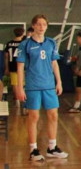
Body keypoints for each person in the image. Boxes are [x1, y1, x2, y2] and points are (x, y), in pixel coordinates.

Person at [13, 15, 68, 161]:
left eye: (44, 24)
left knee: (53, 115)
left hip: (49, 85)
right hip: (33, 85)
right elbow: (20, 67)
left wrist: (59, 82)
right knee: (34, 117)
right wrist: (20, 87)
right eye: (38, 24)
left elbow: (54, 63)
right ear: (33, 26)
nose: (41, 27)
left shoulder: (51, 42)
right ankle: (33, 149)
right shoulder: (25, 45)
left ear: (47, 26)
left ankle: (52, 147)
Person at [5, 26, 26, 115]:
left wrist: (6, 67)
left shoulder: (9, 43)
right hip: (22, 65)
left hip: (12, 65)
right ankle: (24, 101)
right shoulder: (24, 43)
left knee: (15, 84)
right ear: (22, 33)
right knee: (23, 83)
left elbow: (6, 56)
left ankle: (17, 100)